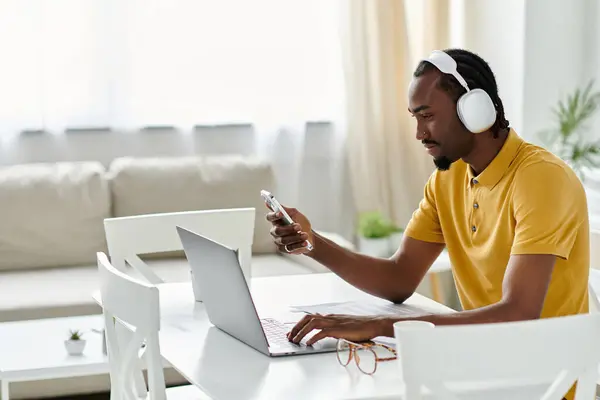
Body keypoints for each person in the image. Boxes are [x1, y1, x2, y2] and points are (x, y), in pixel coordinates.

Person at [266, 48, 590, 347]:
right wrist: (312, 242)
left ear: (473, 110)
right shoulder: (446, 180)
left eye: (428, 116)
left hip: (548, 380)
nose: (419, 134)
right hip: (482, 360)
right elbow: (399, 278)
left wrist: (381, 327)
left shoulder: (541, 178)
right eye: (415, 118)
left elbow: (518, 313)